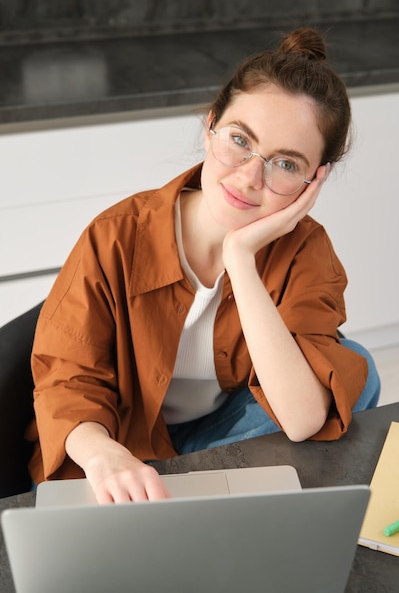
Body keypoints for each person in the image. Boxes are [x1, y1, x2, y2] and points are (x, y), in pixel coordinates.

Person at [27, 27, 380, 503]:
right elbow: (69, 378)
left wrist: (240, 259)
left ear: (314, 180)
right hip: (123, 440)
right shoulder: (116, 234)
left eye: (287, 164)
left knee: (358, 371)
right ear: (211, 124)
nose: (250, 177)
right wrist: (101, 454)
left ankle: (198, 498)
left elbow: (301, 419)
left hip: (215, 437)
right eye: (240, 139)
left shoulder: (306, 251)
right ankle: (201, 498)